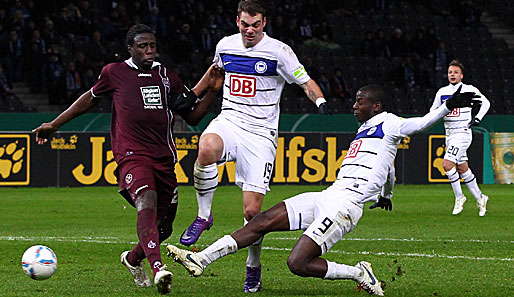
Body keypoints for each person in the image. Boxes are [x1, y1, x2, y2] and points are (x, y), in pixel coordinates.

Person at [167, 84, 480, 296]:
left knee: (297, 264)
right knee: (260, 220)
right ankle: (202, 259)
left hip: (345, 207)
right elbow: (389, 167)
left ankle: (358, 273)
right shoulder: (368, 129)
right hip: (328, 194)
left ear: (376, 105)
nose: (355, 105)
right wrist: (387, 194)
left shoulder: (391, 122)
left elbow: (422, 123)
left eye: (360, 101)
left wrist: (446, 106)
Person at [32, 24, 223, 295]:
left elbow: (191, 116)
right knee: (147, 199)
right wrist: (54, 124)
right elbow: (89, 99)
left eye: (152, 46)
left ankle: (133, 260)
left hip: (165, 158)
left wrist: (212, 91)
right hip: (131, 154)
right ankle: (159, 270)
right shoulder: (115, 73)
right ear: (130, 49)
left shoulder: (166, 77)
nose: (149, 50)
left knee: (164, 226)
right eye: (143, 46)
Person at [178, 0, 328, 293]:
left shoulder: (279, 52)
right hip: (230, 119)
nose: (249, 30)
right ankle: (204, 216)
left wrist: (319, 101)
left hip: (261, 134)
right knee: (206, 147)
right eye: (244, 24)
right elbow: (214, 74)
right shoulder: (225, 45)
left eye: (255, 24)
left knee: (252, 213)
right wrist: (194, 93)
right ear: (237, 22)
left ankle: (253, 264)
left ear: (264, 23)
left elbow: (305, 81)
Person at [430, 60, 490, 216]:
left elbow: (486, 103)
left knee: (447, 164)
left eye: (455, 72)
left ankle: (459, 197)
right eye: (450, 72)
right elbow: (432, 112)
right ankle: (481, 198)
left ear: (461, 75)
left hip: (462, 133)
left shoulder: (469, 89)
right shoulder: (442, 92)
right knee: (463, 168)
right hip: (449, 134)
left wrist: (477, 118)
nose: (452, 74)